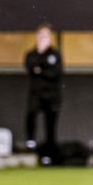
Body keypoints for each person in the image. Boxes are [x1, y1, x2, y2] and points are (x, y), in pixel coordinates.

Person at [24, 23, 63, 159]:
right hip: (36, 94)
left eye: (45, 35)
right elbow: (30, 67)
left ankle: (49, 154)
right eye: (40, 35)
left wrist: (40, 70)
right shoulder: (31, 54)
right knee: (31, 115)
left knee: (50, 125)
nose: (43, 38)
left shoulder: (55, 54)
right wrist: (41, 57)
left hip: (52, 95)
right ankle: (30, 143)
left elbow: (55, 73)